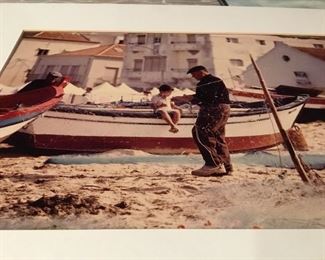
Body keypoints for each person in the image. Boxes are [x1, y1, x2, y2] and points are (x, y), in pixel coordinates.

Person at [173, 65, 233, 176]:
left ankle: (213, 164)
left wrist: (185, 98)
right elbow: (208, 96)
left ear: (201, 72)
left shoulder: (205, 82)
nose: (193, 77)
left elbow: (205, 98)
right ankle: (226, 167)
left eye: (194, 74)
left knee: (200, 132)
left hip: (213, 109)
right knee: (218, 137)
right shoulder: (216, 80)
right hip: (224, 109)